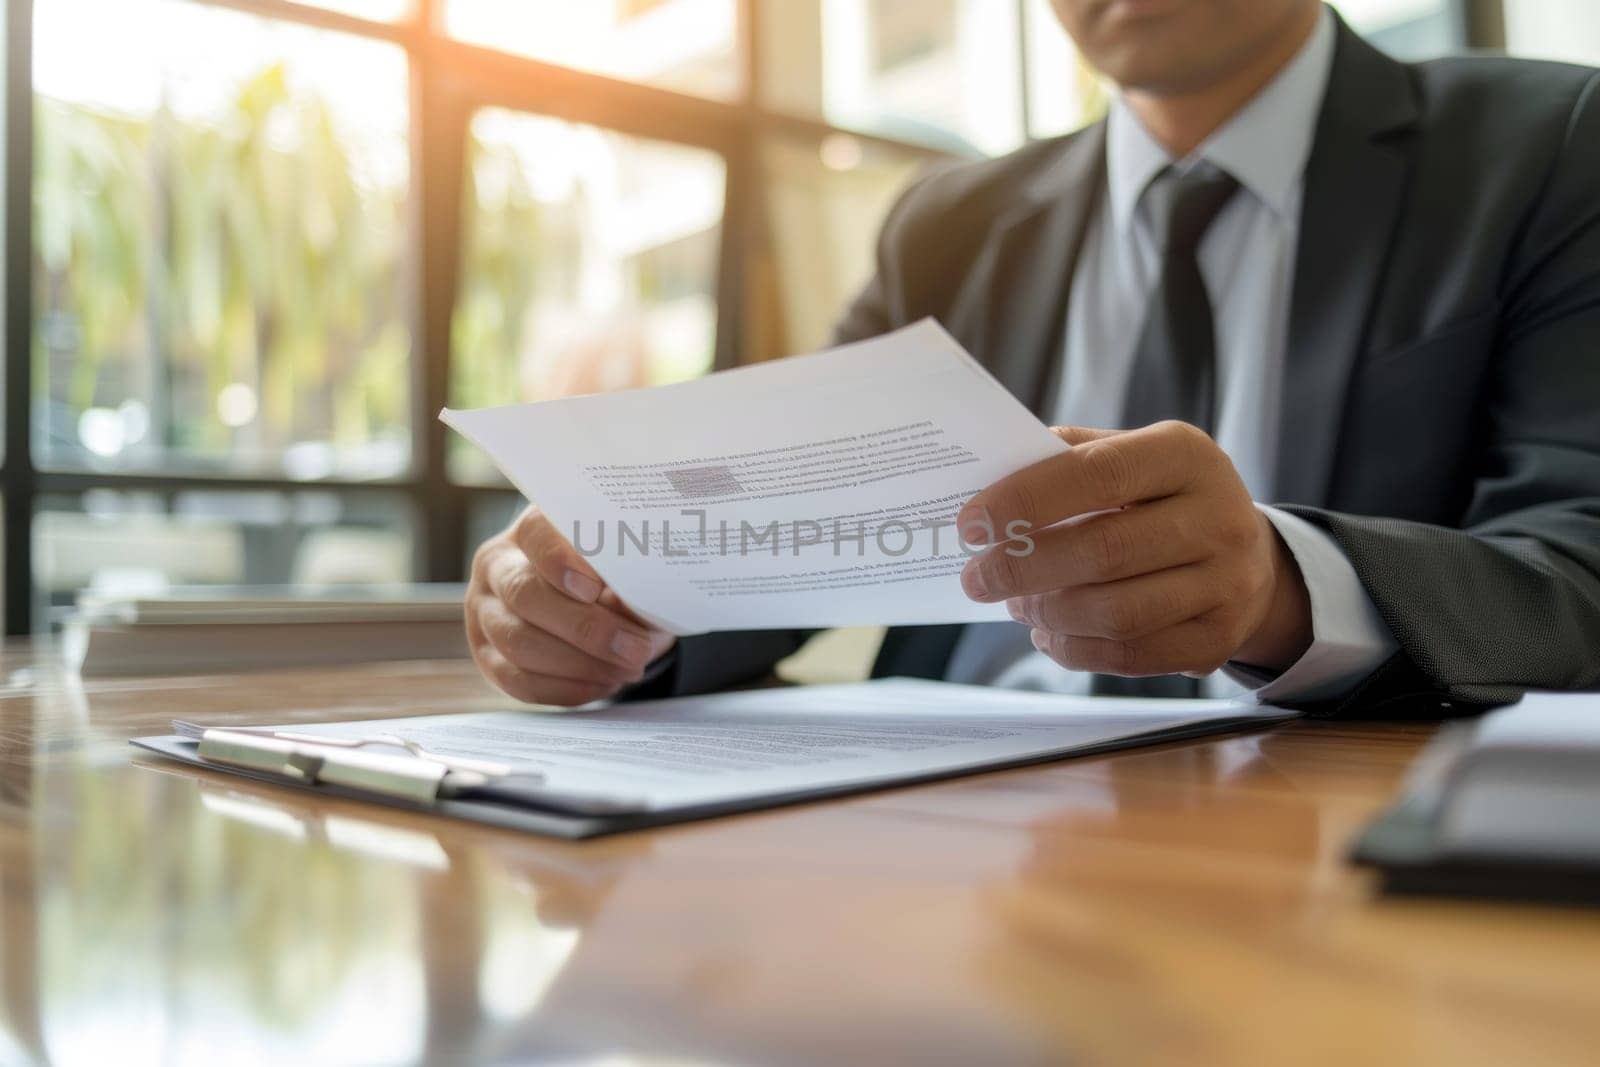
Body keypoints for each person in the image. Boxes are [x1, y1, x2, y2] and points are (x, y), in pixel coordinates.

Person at [464, 0, 1600, 716]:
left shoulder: (1547, 146)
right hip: (938, 832)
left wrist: (1279, 586)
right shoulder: (950, 223)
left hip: (1319, 829)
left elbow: (1578, 566)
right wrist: (605, 610)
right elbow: (778, 544)